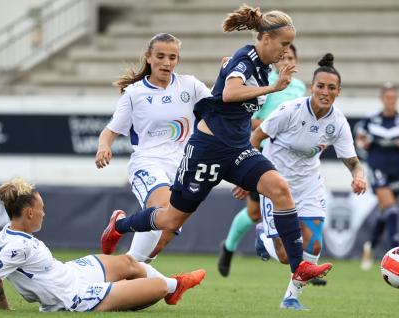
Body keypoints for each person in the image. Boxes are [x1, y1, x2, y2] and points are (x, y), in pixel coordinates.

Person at [101, 4, 333, 295]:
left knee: (279, 188)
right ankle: (120, 225)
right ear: (266, 38)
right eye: (284, 44)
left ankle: (299, 267)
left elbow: (223, 91)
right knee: (170, 219)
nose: (286, 51)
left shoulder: (261, 66)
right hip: (207, 150)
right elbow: (230, 93)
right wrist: (271, 89)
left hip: (237, 150)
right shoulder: (246, 57)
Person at [0, 178, 205, 312]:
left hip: (71, 272)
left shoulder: (5, 235)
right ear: (29, 212)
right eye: (41, 208)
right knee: (158, 287)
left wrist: (4, 310)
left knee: (128, 262)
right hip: (74, 296)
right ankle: (175, 285)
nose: (44, 213)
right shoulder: (18, 246)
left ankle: (176, 287)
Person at [250, 53, 367, 310]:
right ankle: (263, 236)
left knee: (313, 242)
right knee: (283, 256)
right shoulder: (289, 110)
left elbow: (352, 160)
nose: (325, 92)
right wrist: (249, 174)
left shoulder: (337, 122)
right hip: (275, 184)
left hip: (309, 185)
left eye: (331, 88)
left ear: (338, 91)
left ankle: (291, 298)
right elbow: (256, 137)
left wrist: (358, 176)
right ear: (312, 86)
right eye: (320, 86)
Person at [95, 33, 212, 261]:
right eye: (160, 56)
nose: (167, 63)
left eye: (173, 57)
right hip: (148, 162)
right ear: (148, 57)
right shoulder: (134, 93)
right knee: (163, 208)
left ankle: (129, 268)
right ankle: (123, 239)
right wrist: (103, 147)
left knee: (158, 243)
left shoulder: (191, 85)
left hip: (183, 167)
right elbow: (110, 131)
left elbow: (217, 108)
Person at [217, 44, 306, 277]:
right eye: (283, 56)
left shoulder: (299, 87)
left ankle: (303, 263)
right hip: (265, 153)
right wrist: (273, 126)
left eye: (291, 57)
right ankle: (228, 247)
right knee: (255, 212)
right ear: (276, 59)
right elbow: (251, 121)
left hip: (291, 157)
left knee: (292, 206)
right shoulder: (266, 84)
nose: (286, 60)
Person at [357, 82, 399, 270]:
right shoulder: (371, 119)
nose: (390, 101)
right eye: (387, 97)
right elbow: (360, 141)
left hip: (397, 169)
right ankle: (397, 256)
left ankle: (371, 245)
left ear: (396, 99)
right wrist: (364, 143)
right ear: (382, 99)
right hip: (377, 167)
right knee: (391, 209)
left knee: (386, 212)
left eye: (393, 98)